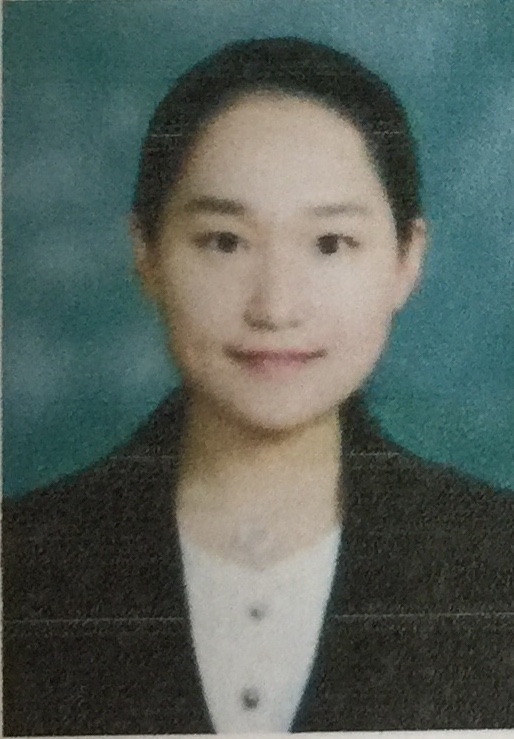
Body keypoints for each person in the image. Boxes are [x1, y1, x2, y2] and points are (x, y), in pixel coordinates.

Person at [3, 37, 513, 736]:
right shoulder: (21, 559)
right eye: (224, 241)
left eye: (330, 243)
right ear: (146, 253)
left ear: (406, 259)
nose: (275, 307)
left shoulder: (494, 555)